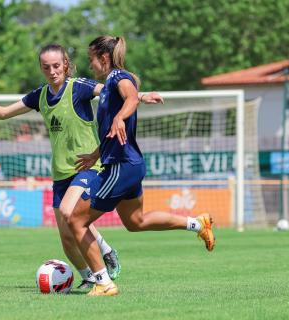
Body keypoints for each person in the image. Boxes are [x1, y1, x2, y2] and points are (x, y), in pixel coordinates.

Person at [0, 44, 163, 288]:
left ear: (66, 65)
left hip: (88, 167)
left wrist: (141, 96)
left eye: (57, 66)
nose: (52, 71)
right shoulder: (39, 96)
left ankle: (105, 260)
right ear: (41, 68)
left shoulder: (79, 87)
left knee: (72, 214)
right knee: (66, 237)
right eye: (46, 67)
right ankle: (88, 277)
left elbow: (114, 91)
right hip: (60, 173)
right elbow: (4, 113)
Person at [66, 36, 215, 296]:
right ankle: (198, 224)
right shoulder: (109, 85)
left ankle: (103, 282)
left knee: (76, 220)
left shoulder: (118, 77)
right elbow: (115, 127)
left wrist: (121, 117)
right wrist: (95, 154)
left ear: (103, 58)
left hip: (121, 167)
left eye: (91, 59)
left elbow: (132, 98)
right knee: (136, 221)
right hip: (129, 164)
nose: (90, 65)